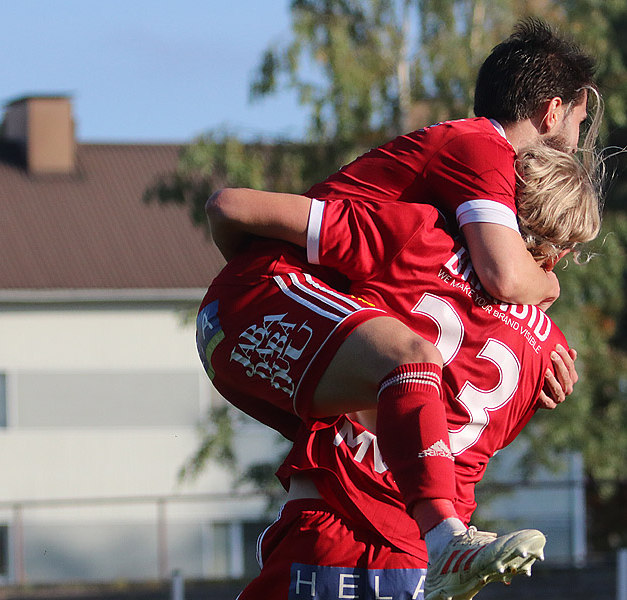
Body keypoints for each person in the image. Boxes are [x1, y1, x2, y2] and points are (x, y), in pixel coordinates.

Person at [196, 17, 599, 594]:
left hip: (333, 529)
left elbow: (229, 207)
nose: (578, 145)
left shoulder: (419, 235)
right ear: (552, 112)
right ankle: (447, 540)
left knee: (402, 363)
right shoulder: (542, 341)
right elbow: (507, 278)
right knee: (406, 360)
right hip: (407, 551)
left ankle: (447, 541)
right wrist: (547, 296)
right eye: (580, 126)